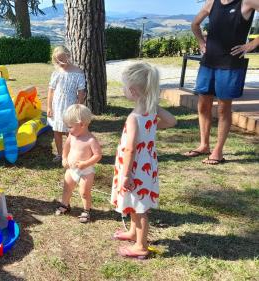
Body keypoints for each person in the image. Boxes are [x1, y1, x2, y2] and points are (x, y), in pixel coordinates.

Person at [111, 63, 176, 259]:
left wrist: (126, 175)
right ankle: (133, 232)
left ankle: (141, 246)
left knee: (139, 208)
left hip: (134, 168)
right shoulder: (151, 112)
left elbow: (130, 148)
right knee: (135, 202)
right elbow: (172, 121)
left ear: (131, 90)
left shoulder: (134, 117)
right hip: (146, 165)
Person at [187, 0, 259, 164]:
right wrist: (200, 42)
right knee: (203, 104)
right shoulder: (212, 2)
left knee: (223, 108)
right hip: (208, 62)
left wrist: (251, 44)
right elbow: (195, 24)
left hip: (230, 64)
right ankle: (204, 145)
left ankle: (218, 151)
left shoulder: (247, 2)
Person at [54, 104, 102, 223]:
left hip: (86, 171)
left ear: (81, 124)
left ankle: (87, 210)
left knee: (84, 192)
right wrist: (64, 158)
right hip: (71, 169)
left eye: (70, 126)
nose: (68, 129)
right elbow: (66, 147)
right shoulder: (72, 135)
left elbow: (98, 155)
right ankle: (65, 205)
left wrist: (86, 163)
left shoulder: (91, 140)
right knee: (67, 188)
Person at [47, 46, 86, 163]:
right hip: (57, 106)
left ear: (68, 56)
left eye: (63, 59)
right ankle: (60, 154)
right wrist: (49, 107)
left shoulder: (78, 72)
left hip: (70, 106)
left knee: (71, 131)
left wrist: (79, 106)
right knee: (57, 130)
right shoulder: (56, 73)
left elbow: (81, 92)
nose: (61, 62)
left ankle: (69, 154)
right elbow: (51, 90)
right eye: (58, 60)